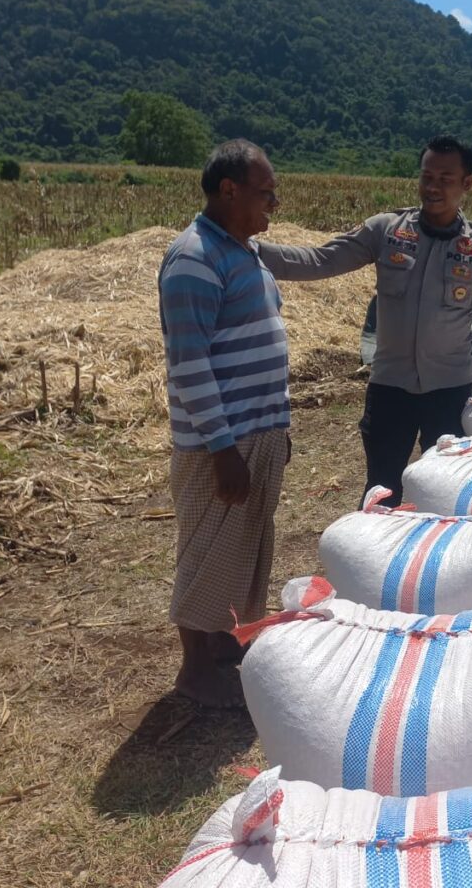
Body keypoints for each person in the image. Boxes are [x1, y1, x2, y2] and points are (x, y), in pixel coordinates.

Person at [257, 134, 472, 505]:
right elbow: (320, 260)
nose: (433, 187)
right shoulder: (387, 231)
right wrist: (250, 249)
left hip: (450, 392)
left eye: (445, 178)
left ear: (467, 184)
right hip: (390, 389)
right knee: (382, 489)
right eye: (427, 176)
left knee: (447, 492)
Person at [158, 139, 290, 707]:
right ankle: (195, 671)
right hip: (225, 439)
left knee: (242, 546)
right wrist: (222, 447)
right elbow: (188, 364)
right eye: (265, 192)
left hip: (255, 431)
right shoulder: (193, 259)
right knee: (208, 551)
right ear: (228, 190)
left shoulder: (243, 250)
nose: (274, 203)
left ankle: (221, 646)